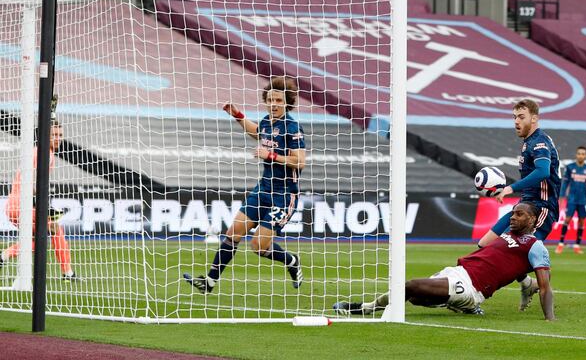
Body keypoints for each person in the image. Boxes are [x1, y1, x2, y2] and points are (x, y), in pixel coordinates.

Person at [183, 77, 306, 293]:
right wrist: (238, 116)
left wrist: (271, 155)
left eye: (278, 100)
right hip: (262, 190)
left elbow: (299, 161)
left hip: (284, 195)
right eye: (270, 100)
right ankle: (209, 282)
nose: (273, 104)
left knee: (258, 247)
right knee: (233, 232)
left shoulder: (293, 127)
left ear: (287, 102)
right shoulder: (268, 121)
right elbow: (256, 132)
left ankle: (291, 261)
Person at [332, 202, 555, 320]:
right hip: (457, 272)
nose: (513, 217)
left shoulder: (535, 246)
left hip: (471, 287)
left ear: (533, 219)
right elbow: (509, 266)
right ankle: (466, 309)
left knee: (410, 286)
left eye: (519, 214)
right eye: (513, 213)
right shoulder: (510, 235)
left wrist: (549, 318)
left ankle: (364, 308)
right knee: (417, 299)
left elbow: (545, 286)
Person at [476, 99, 559, 301]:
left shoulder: (540, 142)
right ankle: (527, 284)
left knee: (514, 252)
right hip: (524, 206)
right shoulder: (527, 143)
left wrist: (510, 188)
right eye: (514, 117)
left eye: (521, 117)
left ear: (534, 118)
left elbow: (542, 171)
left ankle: (479, 292)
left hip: (541, 208)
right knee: (485, 244)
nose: (516, 121)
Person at [0, 120, 77, 281]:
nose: (58, 138)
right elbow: (33, 183)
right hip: (24, 205)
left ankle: (3, 256)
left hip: (14, 206)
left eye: (60, 135)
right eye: (54, 135)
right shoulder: (45, 155)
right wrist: (45, 207)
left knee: (38, 241)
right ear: (45, 136)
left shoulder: (39, 152)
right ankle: (68, 273)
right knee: (55, 230)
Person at [556, 146, 586, 255]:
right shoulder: (570, 167)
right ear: (576, 155)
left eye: (583, 154)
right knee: (567, 220)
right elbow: (565, 184)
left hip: (583, 200)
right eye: (579, 153)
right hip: (572, 199)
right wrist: (562, 197)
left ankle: (577, 245)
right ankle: (560, 244)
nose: (581, 155)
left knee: (582, 222)